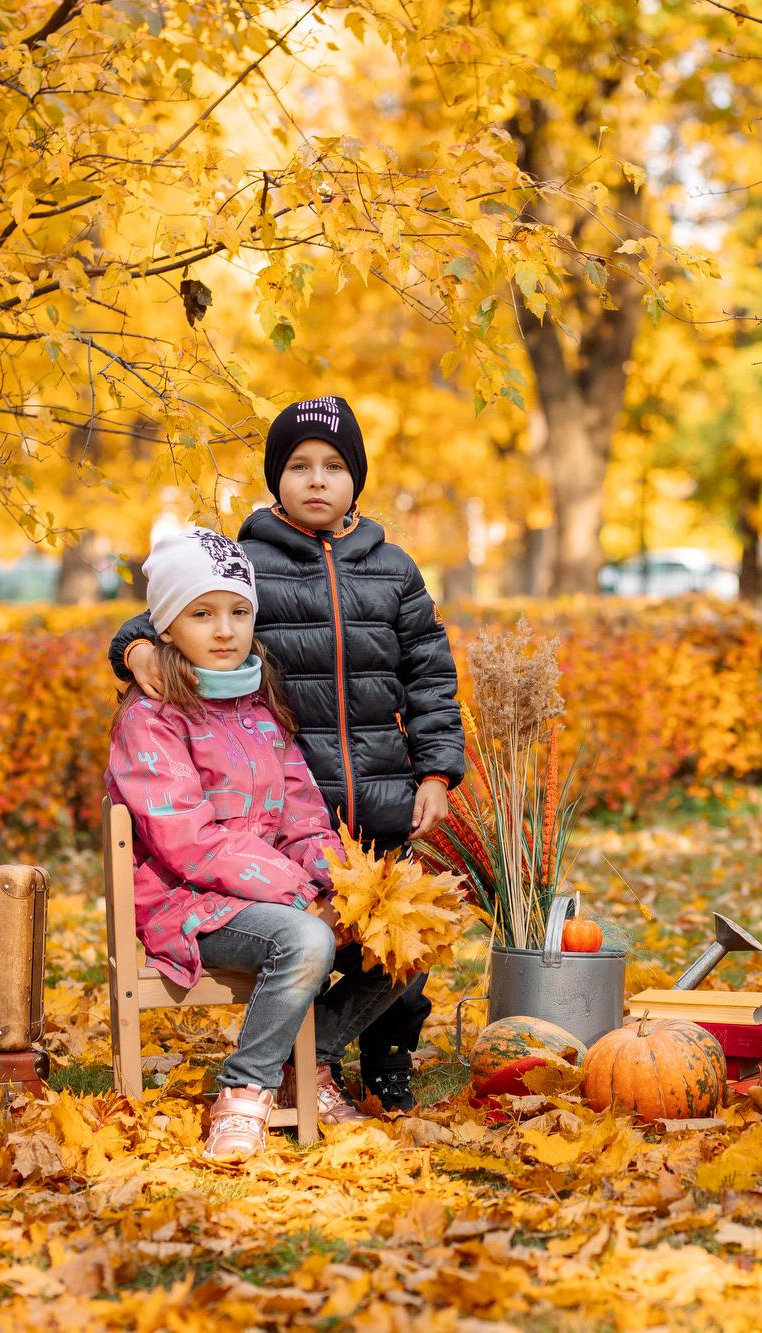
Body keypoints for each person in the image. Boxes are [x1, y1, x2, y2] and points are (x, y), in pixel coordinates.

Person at [110, 396, 464, 1111]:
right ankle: (290, 1071)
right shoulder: (249, 565)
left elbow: (430, 670)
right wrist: (134, 645)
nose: (316, 480)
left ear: (355, 480)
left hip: (376, 797)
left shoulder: (393, 568)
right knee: (316, 934)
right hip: (290, 805)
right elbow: (177, 610)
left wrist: (434, 768)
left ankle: (370, 1065)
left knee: (403, 943)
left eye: (334, 466)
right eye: (298, 466)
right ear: (277, 479)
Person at [105, 528, 409, 1159]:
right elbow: (190, 841)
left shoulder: (257, 707)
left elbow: (301, 816)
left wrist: (345, 885)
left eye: (239, 612)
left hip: (268, 896)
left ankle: (312, 1062)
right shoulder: (152, 719)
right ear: (164, 628)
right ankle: (245, 1091)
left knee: (398, 940)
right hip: (186, 903)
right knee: (306, 937)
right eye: (202, 613)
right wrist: (304, 898)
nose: (224, 630)